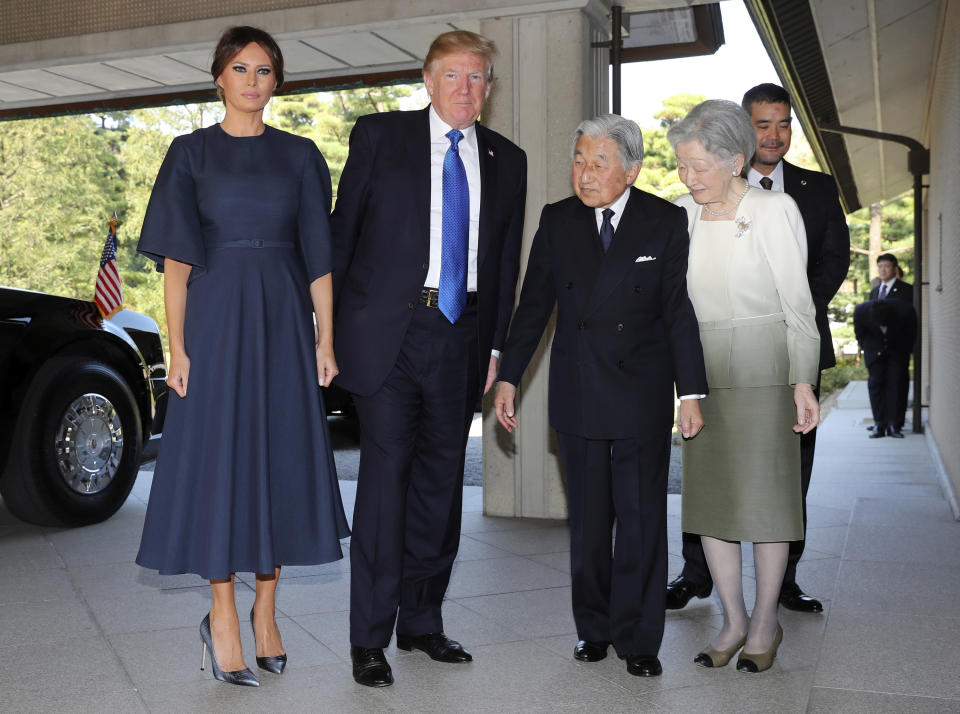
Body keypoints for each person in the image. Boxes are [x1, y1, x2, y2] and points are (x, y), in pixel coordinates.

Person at [136, 26, 349, 687]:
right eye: (240, 67)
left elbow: (319, 257)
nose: (252, 79)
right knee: (222, 466)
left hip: (283, 321)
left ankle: (267, 612)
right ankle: (223, 614)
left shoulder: (302, 156)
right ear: (219, 78)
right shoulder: (190, 154)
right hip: (217, 321)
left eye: (264, 69)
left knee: (279, 459)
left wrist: (326, 337)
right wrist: (179, 348)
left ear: (276, 82)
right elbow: (175, 262)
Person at [330, 30, 527, 688]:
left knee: (441, 489)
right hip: (387, 333)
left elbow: (504, 266)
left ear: (490, 87)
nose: (467, 89)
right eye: (454, 76)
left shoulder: (508, 159)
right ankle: (368, 637)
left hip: (462, 337)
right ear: (428, 79)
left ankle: (421, 622)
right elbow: (341, 235)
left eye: (479, 78)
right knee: (385, 486)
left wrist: (498, 350)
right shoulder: (379, 137)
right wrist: (325, 333)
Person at [494, 114, 707, 678]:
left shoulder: (663, 220)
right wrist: (509, 376)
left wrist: (691, 392)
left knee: (640, 519)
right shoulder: (558, 220)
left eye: (599, 163)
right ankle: (593, 629)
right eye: (580, 161)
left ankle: (639, 639)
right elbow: (533, 305)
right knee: (588, 522)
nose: (585, 174)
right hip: (579, 388)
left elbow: (677, 313)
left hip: (641, 389)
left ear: (632, 170)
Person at [666, 82, 850, 615]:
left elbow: (799, 303)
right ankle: (731, 619)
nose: (687, 176)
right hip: (703, 378)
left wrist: (801, 380)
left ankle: (766, 620)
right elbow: (669, 303)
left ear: (732, 160)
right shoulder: (679, 213)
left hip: (768, 371)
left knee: (772, 502)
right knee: (711, 505)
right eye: (682, 165)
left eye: (698, 165)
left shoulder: (779, 208)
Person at [854, 297, 917, 438]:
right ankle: (879, 423)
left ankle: (895, 424)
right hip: (873, 351)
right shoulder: (861, 312)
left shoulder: (905, 311)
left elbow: (911, 334)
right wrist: (869, 350)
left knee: (897, 386)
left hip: (898, 350)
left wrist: (902, 353)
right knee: (875, 385)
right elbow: (860, 335)